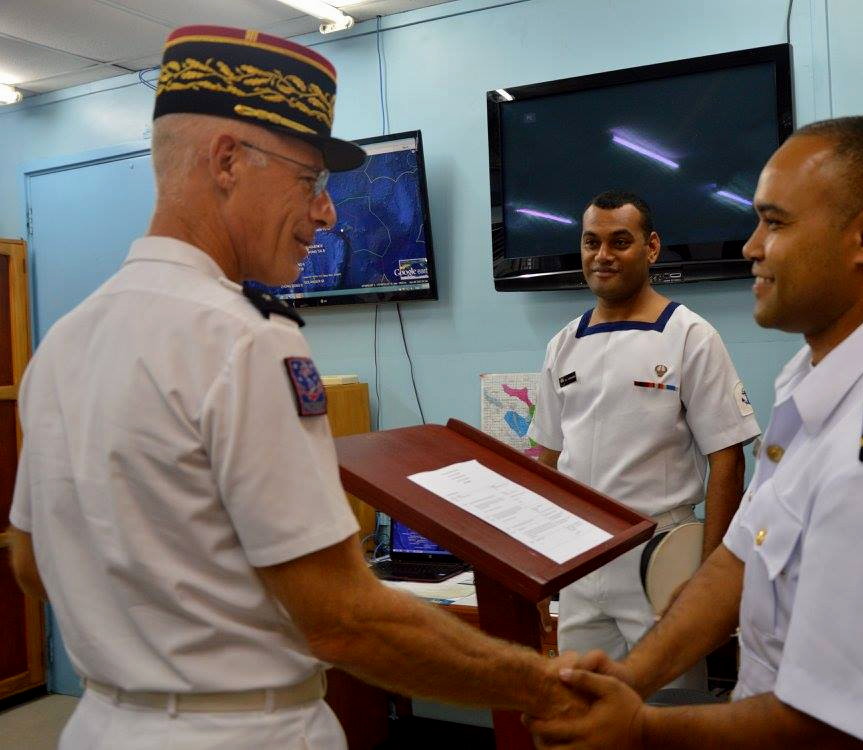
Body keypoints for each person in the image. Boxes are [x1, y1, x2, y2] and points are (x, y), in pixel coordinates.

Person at [7, 25, 578, 749]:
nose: (327, 213)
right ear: (226, 161)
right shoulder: (247, 339)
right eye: (309, 181)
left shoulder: (63, 341)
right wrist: (538, 683)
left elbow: (32, 565)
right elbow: (343, 619)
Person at [528, 117, 863, 749]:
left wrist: (641, 727)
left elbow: (834, 726)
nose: (750, 246)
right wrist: (631, 677)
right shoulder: (815, 386)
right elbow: (740, 556)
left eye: (776, 222)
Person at [529, 190, 762, 690]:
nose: (603, 255)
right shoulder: (563, 343)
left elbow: (727, 460)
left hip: (659, 559)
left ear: (651, 247)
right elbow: (545, 460)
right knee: (584, 706)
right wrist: (540, 569)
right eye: (591, 242)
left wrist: (709, 579)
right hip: (578, 560)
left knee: (668, 716)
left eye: (620, 241)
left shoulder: (690, 335)